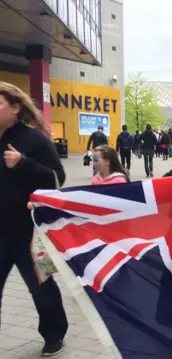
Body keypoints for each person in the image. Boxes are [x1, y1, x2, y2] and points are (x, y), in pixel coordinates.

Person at [0, 81, 68, 356]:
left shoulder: (34, 139)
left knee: (41, 288)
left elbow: (57, 178)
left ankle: (54, 333)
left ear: (15, 108)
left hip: (29, 234)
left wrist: (24, 163)